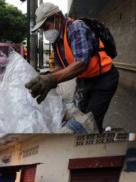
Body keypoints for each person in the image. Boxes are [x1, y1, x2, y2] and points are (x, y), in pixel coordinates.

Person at [25, 2, 119, 132]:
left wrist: (52, 79)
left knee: (89, 122)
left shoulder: (77, 28)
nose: (46, 32)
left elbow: (81, 63)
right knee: (77, 114)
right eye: (43, 30)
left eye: (46, 26)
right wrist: (46, 77)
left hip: (103, 80)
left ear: (57, 17)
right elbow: (60, 66)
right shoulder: (57, 40)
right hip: (84, 80)